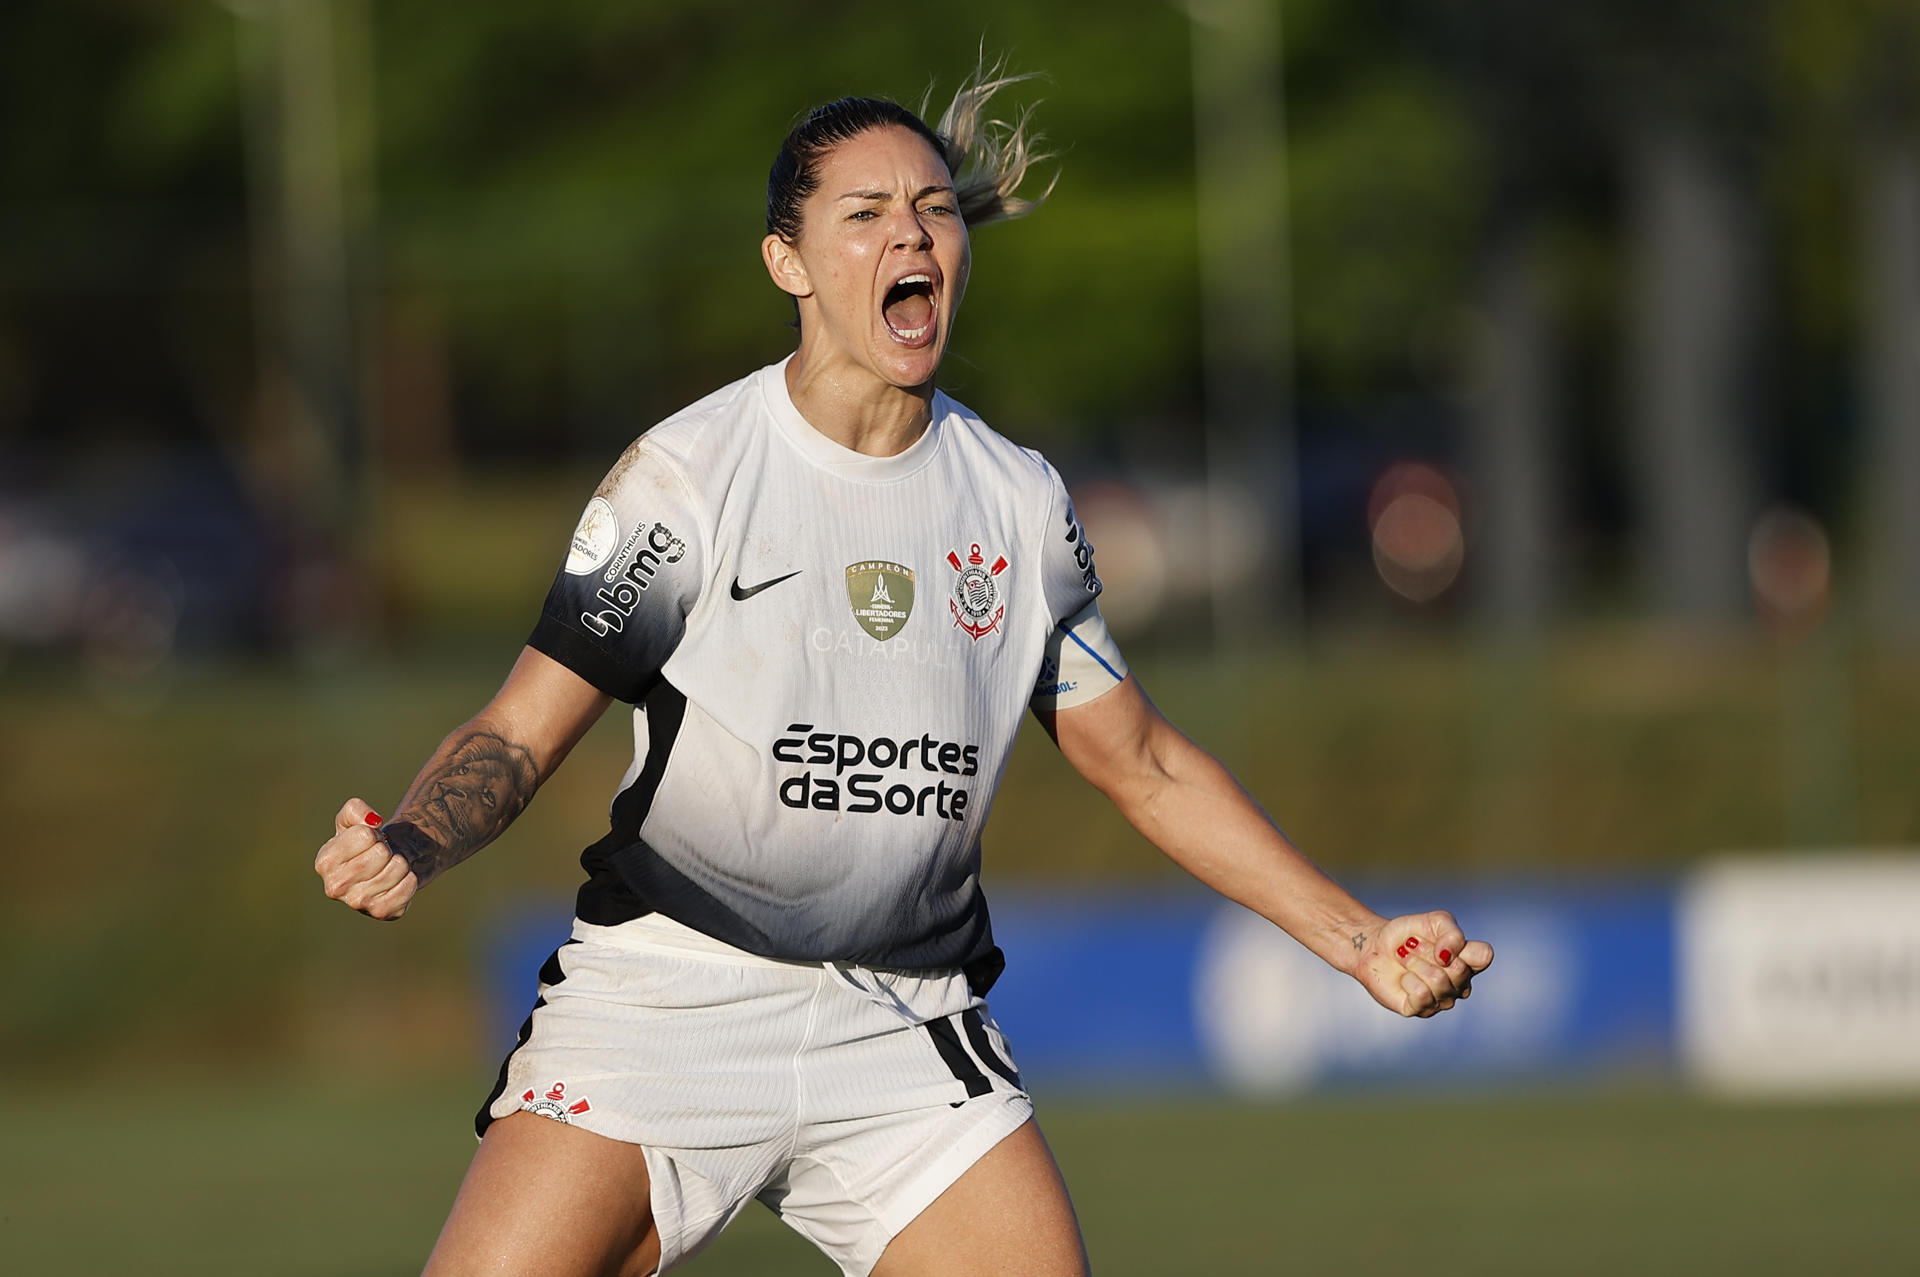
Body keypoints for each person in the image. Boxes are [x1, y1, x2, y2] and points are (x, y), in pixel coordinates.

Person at [313, 66, 1493, 1277]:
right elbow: (521, 728)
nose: (912, 233)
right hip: (670, 1007)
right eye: (866, 213)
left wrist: (1357, 941)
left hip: (904, 1024)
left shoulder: (1018, 501)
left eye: (932, 206)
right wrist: (414, 835)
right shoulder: (691, 476)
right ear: (789, 262)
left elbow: (1140, 761)